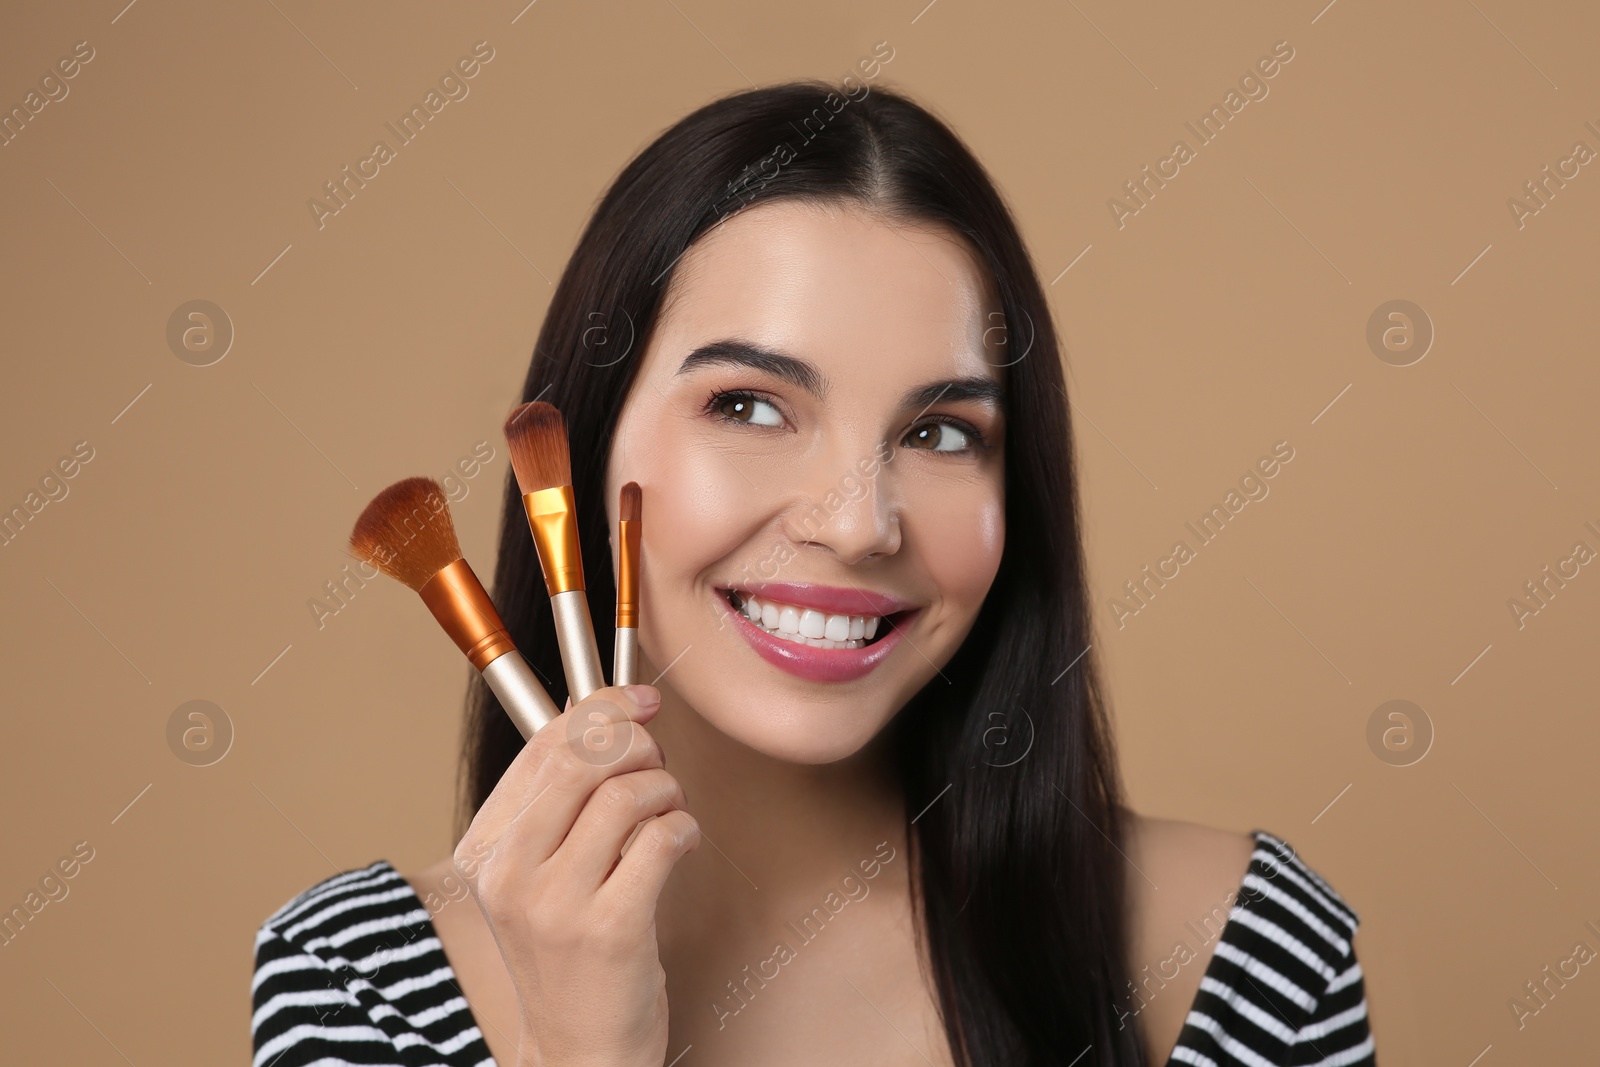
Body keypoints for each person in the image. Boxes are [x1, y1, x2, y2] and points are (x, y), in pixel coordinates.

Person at [251, 80, 1375, 1067]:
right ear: (588, 447)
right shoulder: (361, 984)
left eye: (939, 432)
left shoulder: (1244, 953)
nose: (857, 524)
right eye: (747, 405)